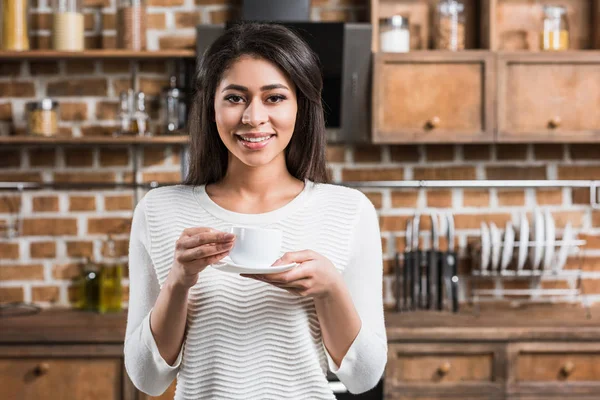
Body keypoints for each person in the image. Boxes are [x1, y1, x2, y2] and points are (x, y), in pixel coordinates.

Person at [124, 22, 387, 400]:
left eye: (275, 97)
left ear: (300, 105)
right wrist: (179, 280)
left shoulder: (348, 211)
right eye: (235, 97)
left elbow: (364, 379)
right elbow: (147, 380)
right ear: (211, 106)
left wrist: (329, 289)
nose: (253, 117)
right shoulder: (158, 211)